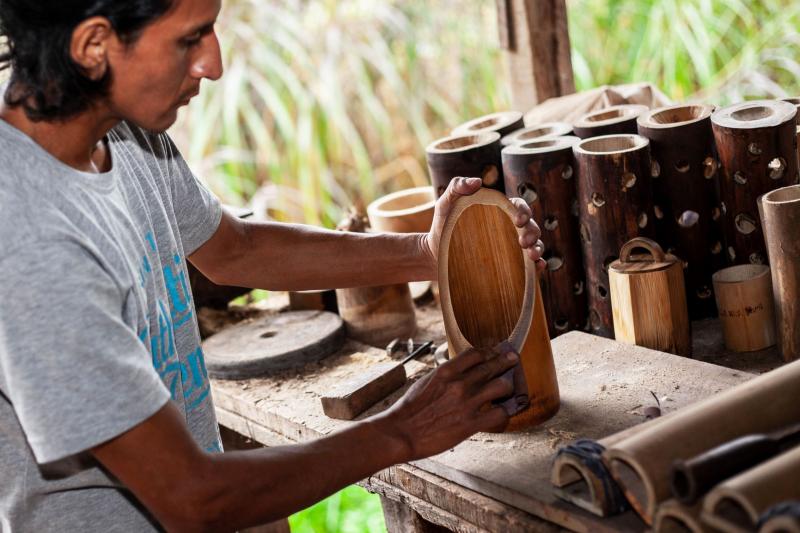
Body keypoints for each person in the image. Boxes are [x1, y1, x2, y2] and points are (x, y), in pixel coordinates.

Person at [0, 0, 545, 531]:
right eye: (191, 38)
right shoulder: (29, 238)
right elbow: (194, 499)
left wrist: (427, 254)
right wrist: (405, 430)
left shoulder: (112, 122)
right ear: (94, 45)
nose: (213, 65)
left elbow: (235, 249)